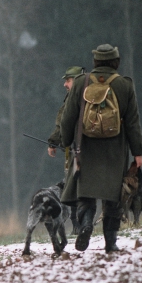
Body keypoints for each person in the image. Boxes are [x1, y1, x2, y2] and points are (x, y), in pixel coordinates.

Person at [60, 44, 142, 253]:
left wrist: (66, 141)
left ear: (95, 61)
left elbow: (68, 117)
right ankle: (111, 242)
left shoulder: (80, 82)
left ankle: (87, 223)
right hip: (115, 150)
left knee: (85, 194)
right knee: (113, 197)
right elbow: (133, 122)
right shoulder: (124, 85)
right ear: (116, 61)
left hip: (85, 147)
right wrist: (138, 152)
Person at [47, 66, 84, 235]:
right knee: (87, 187)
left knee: (72, 186)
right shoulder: (92, 95)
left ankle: (78, 225)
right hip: (95, 150)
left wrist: (53, 142)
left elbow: (62, 123)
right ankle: (88, 222)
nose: (64, 84)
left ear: (75, 80)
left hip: (74, 149)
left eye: (68, 80)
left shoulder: (72, 98)